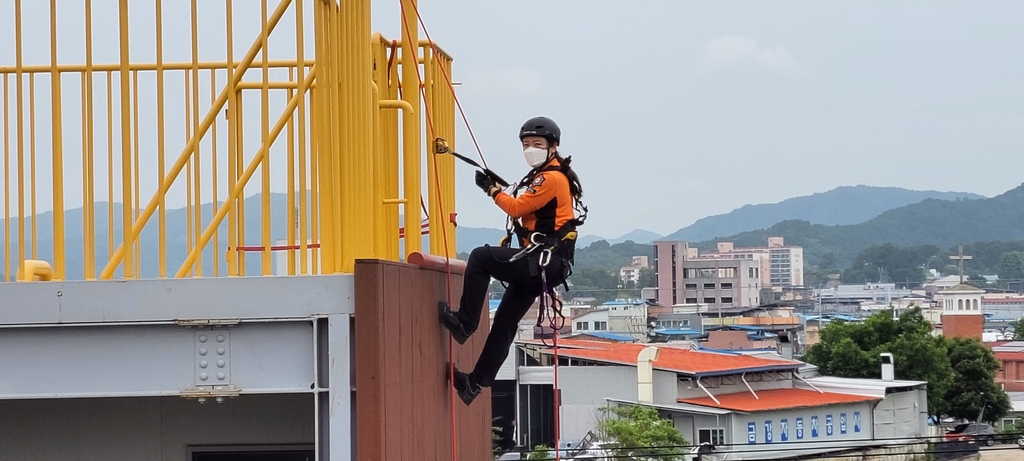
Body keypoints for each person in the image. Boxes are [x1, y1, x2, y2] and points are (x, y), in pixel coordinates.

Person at [440, 116, 585, 405]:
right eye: (526, 144)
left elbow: (517, 208)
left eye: (537, 144)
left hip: (542, 262)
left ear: (552, 147)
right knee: (505, 322)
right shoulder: (546, 176)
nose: (531, 149)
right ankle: (474, 384)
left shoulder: (551, 178)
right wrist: (498, 188)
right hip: (544, 264)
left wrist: (492, 190)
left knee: (481, 257)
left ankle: (465, 322)